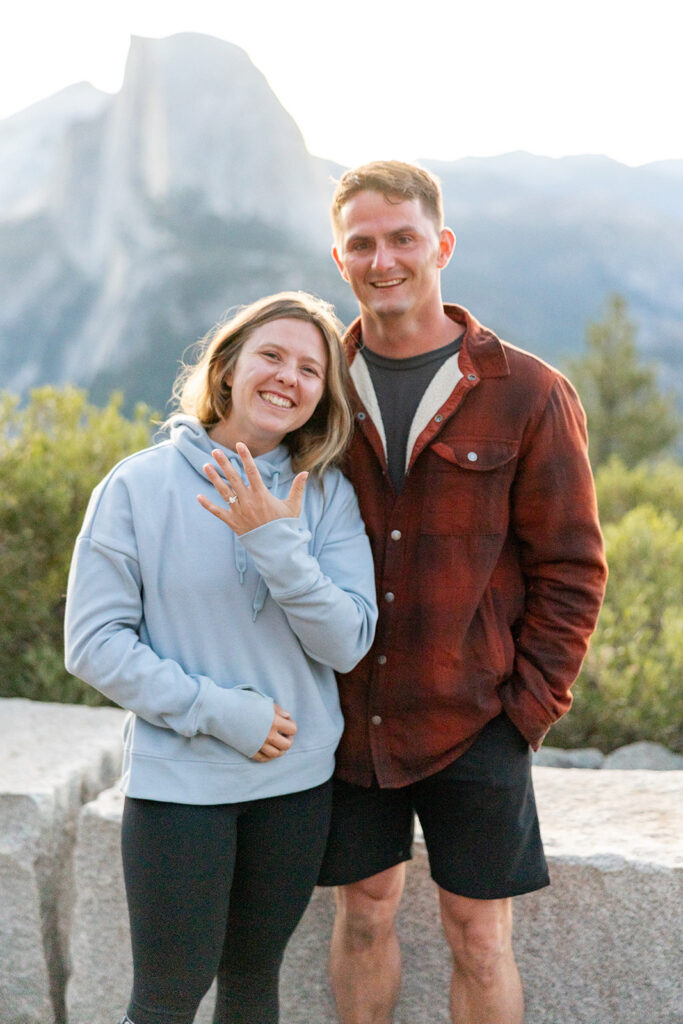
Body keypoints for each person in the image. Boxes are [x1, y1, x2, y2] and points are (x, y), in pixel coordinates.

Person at [316, 162, 608, 1024]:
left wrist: (527, 708)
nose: (383, 260)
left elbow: (571, 566)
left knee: (478, 933)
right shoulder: (314, 385)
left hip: (477, 715)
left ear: (439, 245)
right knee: (362, 913)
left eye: (402, 238)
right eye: (362, 243)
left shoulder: (527, 392)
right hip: (346, 711)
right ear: (339, 258)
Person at [64, 291, 378, 1024]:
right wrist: (218, 711)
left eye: (310, 369)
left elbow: (346, 641)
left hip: (295, 786)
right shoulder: (137, 486)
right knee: (167, 1001)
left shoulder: (327, 497)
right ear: (229, 366)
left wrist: (275, 543)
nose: (288, 378)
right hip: (181, 787)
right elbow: (94, 643)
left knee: (251, 985)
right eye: (272, 355)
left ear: (321, 396)